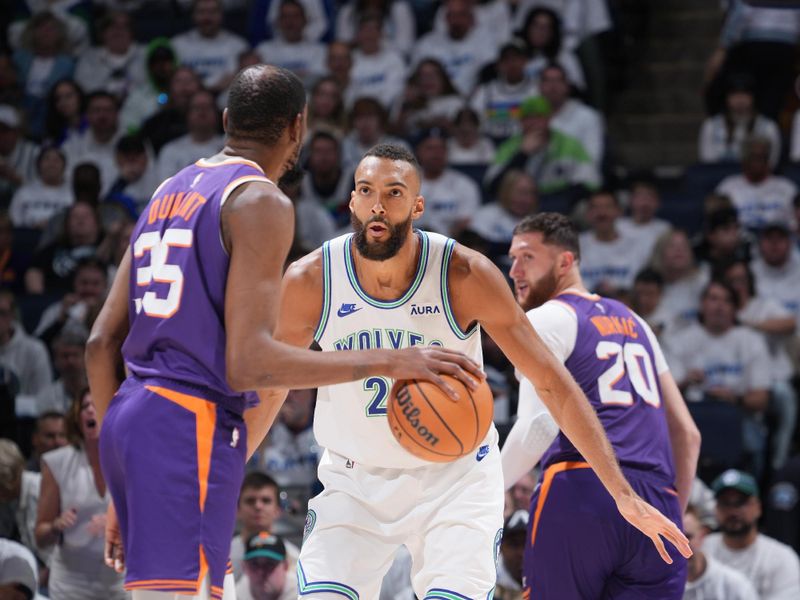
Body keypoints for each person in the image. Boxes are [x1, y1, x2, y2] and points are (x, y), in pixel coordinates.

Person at [86, 65, 481, 600]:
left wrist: (122, 473)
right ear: (298, 127)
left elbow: (99, 343)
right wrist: (391, 360)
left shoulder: (165, 192)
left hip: (135, 418)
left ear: (227, 120)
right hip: (189, 424)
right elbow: (250, 364)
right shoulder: (260, 201)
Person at [273, 144, 691, 597]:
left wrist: (623, 493)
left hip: (455, 480)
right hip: (354, 478)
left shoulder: (466, 274)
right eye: (366, 190)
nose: (377, 204)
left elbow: (554, 384)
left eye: (394, 193)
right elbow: (267, 383)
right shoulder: (311, 279)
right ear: (352, 200)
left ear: (417, 206)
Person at [503, 212, 701, 598]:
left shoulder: (546, 319)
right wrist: (669, 510)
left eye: (527, 257)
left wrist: (484, 489)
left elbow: (538, 427)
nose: (513, 271)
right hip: (658, 498)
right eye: (512, 258)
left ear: (565, 262)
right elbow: (689, 435)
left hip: (580, 485)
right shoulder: (637, 323)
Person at [35, 389, 126, 599]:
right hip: (70, 584)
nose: (91, 411)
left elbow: (150, 524)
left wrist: (117, 523)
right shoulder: (57, 462)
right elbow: (40, 536)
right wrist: (56, 525)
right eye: (85, 406)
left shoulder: (131, 461)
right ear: (77, 417)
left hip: (117, 582)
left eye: (97, 404)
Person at [704, 469, 800, 598]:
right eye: (725, 503)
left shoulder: (782, 558)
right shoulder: (702, 549)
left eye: (741, 502)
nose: (733, 511)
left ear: (758, 507)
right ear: (715, 509)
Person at [230, 472, 299, 582]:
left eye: (266, 500)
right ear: (237, 509)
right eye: (250, 501)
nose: (258, 506)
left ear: (278, 510)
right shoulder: (224, 557)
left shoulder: (294, 559)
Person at [682, 504, 757, 600]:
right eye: (671, 539)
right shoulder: (659, 586)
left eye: (687, 537)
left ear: (702, 536)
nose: (679, 547)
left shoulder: (735, 587)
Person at [235, 532, 296, 600]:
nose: (261, 572)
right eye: (254, 565)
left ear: (286, 566)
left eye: (270, 564)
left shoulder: (304, 595)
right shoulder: (233, 596)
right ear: (244, 567)